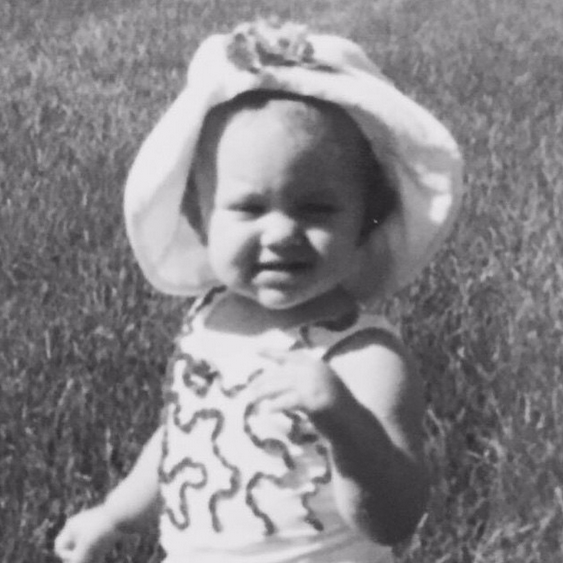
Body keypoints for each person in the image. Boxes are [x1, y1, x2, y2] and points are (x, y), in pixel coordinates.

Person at [55, 19, 463, 563]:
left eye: (316, 209)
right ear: (199, 219)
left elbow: (395, 517)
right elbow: (183, 436)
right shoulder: (210, 320)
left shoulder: (363, 357)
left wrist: (343, 422)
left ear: (367, 220)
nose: (281, 233)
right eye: (249, 207)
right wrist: (114, 514)